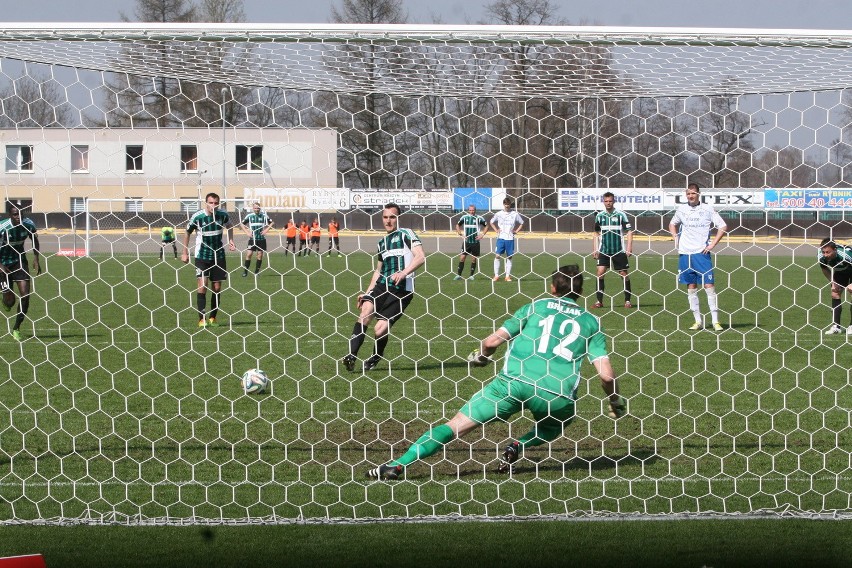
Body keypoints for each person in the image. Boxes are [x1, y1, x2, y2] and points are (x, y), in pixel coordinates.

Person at [366, 265, 627, 480]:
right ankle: (519, 445)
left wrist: (481, 356)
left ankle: (397, 465)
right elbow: (606, 376)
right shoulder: (591, 321)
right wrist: (615, 401)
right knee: (556, 423)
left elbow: (491, 342)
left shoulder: (534, 307)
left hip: (512, 383)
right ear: (581, 292)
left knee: (455, 426)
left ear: (552, 287)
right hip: (556, 394)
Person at [342, 203, 425, 372]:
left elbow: (420, 257)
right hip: (381, 286)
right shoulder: (382, 242)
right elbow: (378, 271)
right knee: (365, 312)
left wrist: (404, 272)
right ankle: (351, 356)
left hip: (402, 291)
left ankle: (376, 356)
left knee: (380, 330)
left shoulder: (406, 234)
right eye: (385, 217)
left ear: (398, 218)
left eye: (392, 217)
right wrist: (366, 293)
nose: (389, 221)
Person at [668, 183, 727, 331]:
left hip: (702, 253)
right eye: (688, 194)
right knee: (691, 287)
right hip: (685, 253)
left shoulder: (707, 209)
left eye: (693, 193)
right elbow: (672, 224)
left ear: (698, 194)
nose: (690, 196)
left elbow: (723, 226)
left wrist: (712, 244)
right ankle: (698, 321)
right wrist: (675, 236)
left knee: (709, 286)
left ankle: (715, 321)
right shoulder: (682, 209)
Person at [181, 192, 235, 328]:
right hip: (202, 256)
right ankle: (201, 319)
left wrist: (231, 240)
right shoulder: (198, 217)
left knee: (216, 288)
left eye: (216, 203)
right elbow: (187, 232)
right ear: (206, 203)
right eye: (211, 203)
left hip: (219, 256)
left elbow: (230, 226)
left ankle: (213, 318)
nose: (213, 205)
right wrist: (185, 251)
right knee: (202, 286)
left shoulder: (223, 215)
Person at [0, 205, 41, 341]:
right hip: (2, 263)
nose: (18, 217)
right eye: (15, 215)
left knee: (25, 296)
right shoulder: (2, 226)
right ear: (10, 215)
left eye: (20, 214)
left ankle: (16, 328)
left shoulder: (28, 224)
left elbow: (34, 239)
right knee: (10, 301)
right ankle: (6, 301)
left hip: (19, 261)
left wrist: (36, 258)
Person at [592, 192, 635, 309]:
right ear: (603, 202)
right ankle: (599, 301)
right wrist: (595, 249)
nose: (608, 203)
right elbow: (596, 233)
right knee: (600, 273)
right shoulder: (599, 216)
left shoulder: (621, 215)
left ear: (614, 201)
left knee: (624, 274)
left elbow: (629, 231)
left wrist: (629, 247)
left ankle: (627, 301)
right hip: (604, 250)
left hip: (619, 250)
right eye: (606, 201)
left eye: (610, 201)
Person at [817, 238, 852, 335]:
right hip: (840, 271)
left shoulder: (846, 255)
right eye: (823, 252)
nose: (825, 255)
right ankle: (836, 327)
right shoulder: (821, 256)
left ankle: (851, 326)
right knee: (835, 293)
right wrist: (833, 282)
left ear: (835, 249)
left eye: (828, 252)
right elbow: (824, 269)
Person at [489, 197, 523, 282]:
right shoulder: (499, 214)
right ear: (503, 204)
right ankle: (496, 276)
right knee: (497, 256)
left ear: (510, 205)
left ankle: (507, 276)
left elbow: (522, 223)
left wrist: (516, 231)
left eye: (508, 204)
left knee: (510, 257)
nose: (507, 206)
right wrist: (496, 230)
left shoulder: (514, 214)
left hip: (510, 238)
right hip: (501, 238)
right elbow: (491, 222)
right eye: (505, 204)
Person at [454, 204, 490, 280]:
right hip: (466, 242)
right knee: (462, 258)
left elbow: (487, 226)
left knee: (473, 259)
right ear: (468, 210)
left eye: (473, 210)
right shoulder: (464, 217)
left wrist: (482, 234)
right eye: (470, 210)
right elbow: (457, 225)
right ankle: (459, 275)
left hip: (475, 242)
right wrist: (461, 234)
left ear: (475, 210)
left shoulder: (479, 218)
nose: (471, 211)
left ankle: (471, 276)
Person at [240, 201, 274, 276]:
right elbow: (241, 224)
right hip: (252, 239)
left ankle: (256, 272)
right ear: (253, 208)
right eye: (255, 208)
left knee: (260, 255)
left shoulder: (264, 216)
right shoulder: (249, 216)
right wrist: (247, 233)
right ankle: (245, 271)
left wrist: (266, 230)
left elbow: (272, 223)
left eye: (258, 208)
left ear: (260, 208)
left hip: (261, 239)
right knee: (249, 254)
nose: (256, 209)